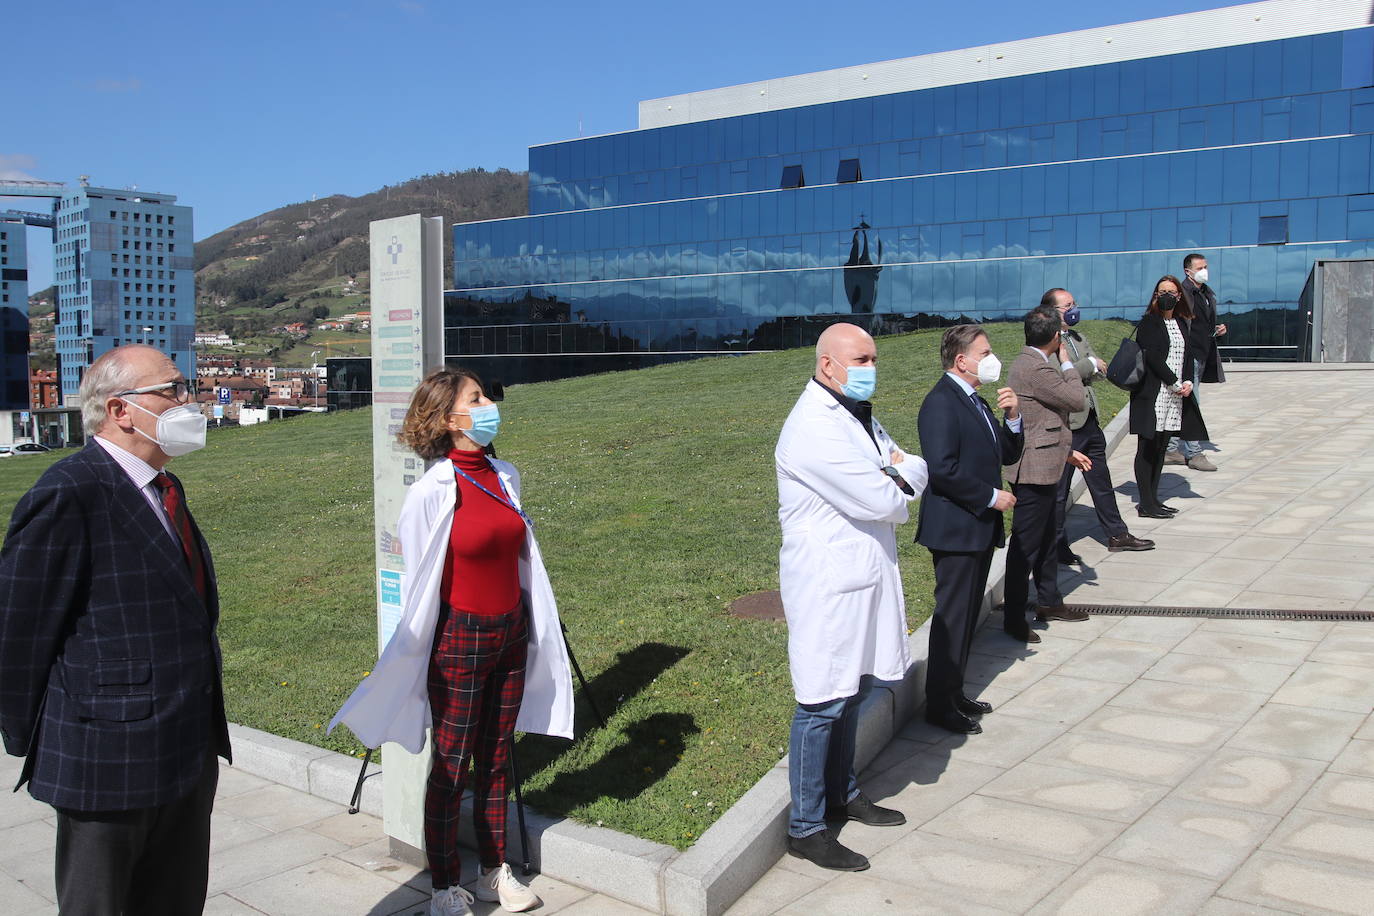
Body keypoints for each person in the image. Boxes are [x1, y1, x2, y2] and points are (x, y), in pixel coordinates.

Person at [330, 368, 574, 916]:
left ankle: (494, 872)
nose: (489, 403)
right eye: (476, 397)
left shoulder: (504, 475)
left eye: (484, 395)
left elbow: (519, 558)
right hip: (459, 640)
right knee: (451, 766)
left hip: (512, 632)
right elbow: (420, 582)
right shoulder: (432, 490)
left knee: (495, 759)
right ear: (448, 418)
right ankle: (444, 885)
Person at [0, 345, 230, 915]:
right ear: (121, 411)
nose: (189, 400)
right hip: (107, 759)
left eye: (186, 387)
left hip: (184, 750)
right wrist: (32, 738)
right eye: (172, 390)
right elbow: (18, 632)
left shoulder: (163, 488)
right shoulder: (68, 491)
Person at [775, 323, 928, 872]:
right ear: (828, 366)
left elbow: (911, 466)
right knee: (821, 701)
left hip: (860, 576)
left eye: (873, 358)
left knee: (854, 687)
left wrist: (897, 472)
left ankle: (843, 793)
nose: (871, 368)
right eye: (860, 359)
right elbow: (885, 496)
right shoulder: (813, 427)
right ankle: (806, 826)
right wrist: (894, 474)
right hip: (828, 585)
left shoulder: (856, 414)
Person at [917, 325, 1022, 735]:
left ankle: (953, 691)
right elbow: (943, 470)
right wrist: (989, 497)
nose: (993, 358)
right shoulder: (941, 403)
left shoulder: (975, 401)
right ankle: (939, 705)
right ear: (962, 360)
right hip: (955, 530)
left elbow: (1007, 451)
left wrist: (1013, 417)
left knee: (964, 617)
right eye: (986, 351)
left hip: (975, 529)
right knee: (952, 617)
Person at [1042, 288, 1155, 560]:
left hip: (1090, 419)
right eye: (1067, 304)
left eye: (1074, 302)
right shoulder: (1046, 341)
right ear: (1052, 311)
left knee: (1101, 481)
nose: (1074, 308)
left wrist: (1089, 366)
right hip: (1068, 425)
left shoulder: (1079, 337)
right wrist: (1088, 365)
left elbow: (1098, 368)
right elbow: (1058, 376)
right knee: (1060, 490)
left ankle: (1118, 534)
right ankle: (1056, 544)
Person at [1003, 306, 1091, 636]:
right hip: (1034, 469)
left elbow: (1042, 421)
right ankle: (1013, 619)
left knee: (1046, 539)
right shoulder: (1036, 368)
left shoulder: (1031, 363)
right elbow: (1075, 398)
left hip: (1047, 462)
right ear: (1056, 337)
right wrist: (1068, 361)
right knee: (1025, 546)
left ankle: (1049, 599)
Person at [1131, 277, 1208, 519]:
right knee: (1147, 448)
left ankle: (1155, 499)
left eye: (1172, 292)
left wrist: (1186, 381)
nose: (1167, 295)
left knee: (1162, 447)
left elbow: (1187, 356)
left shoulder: (1181, 323)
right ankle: (1145, 503)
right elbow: (1152, 357)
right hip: (1154, 394)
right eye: (1162, 291)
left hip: (1175, 396)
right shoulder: (1148, 323)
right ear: (1155, 295)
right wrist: (1174, 382)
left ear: (1178, 296)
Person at [1167, 252, 1226, 471]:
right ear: (1188, 271)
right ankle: (1194, 453)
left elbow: (1203, 324)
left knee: (1184, 402)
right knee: (1193, 402)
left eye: (1205, 267)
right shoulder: (1182, 293)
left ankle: (1171, 449)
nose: (1204, 271)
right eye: (1200, 268)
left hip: (1203, 353)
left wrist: (1217, 330)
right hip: (1187, 355)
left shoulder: (1206, 293)